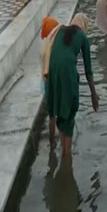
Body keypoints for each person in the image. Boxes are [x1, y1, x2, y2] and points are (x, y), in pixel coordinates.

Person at [44, 13, 98, 156]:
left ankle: (56, 151)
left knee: (58, 110)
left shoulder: (59, 30)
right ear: (84, 26)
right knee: (69, 113)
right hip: (67, 72)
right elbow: (88, 70)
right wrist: (94, 94)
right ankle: (67, 162)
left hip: (52, 72)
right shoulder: (83, 37)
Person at [40, 16, 59, 144]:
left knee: (52, 112)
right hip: (49, 82)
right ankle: (54, 139)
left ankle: (53, 139)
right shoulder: (50, 47)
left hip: (44, 82)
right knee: (54, 114)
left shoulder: (46, 43)